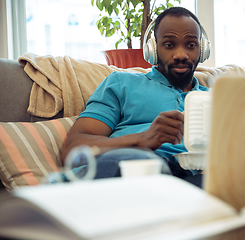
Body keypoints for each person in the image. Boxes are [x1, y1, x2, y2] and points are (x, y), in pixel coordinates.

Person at [61, 7, 210, 186]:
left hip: (188, 179)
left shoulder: (215, 99)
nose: (180, 55)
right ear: (153, 50)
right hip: (130, 170)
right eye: (169, 45)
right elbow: (73, 149)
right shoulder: (121, 83)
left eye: (191, 45)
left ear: (202, 50)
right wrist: (144, 139)